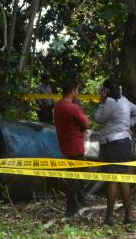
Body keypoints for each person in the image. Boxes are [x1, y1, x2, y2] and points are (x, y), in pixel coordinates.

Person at [94, 79, 136, 226]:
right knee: (124, 180)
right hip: (125, 142)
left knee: (112, 181)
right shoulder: (124, 100)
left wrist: (101, 102)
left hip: (112, 143)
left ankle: (109, 218)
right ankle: (128, 216)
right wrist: (129, 125)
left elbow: (98, 118)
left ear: (106, 90)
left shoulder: (109, 102)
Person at [54, 79, 90, 217]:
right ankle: (72, 207)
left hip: (65, 145)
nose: (78, 92)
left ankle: (79, 201)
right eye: (78, 89)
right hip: (75, 145)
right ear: (73, 90)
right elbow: (86, 124)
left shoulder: (58, 106)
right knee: (76, 177)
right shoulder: (72, 107)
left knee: (76, 175)